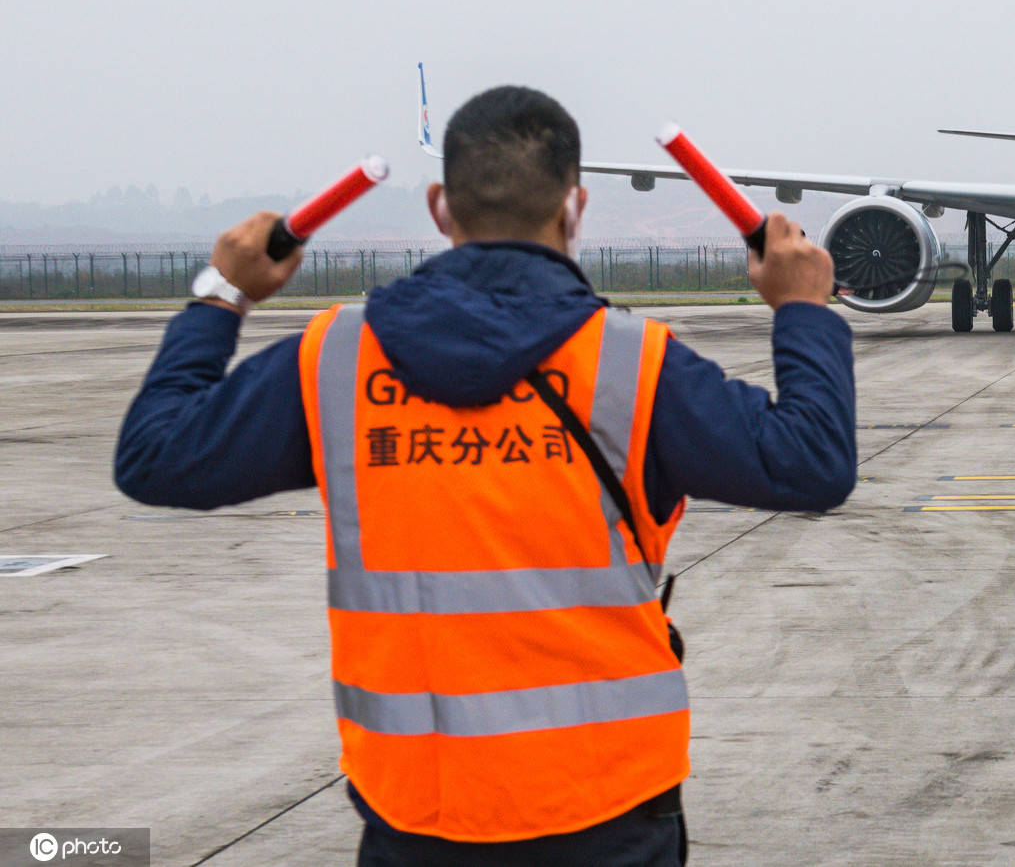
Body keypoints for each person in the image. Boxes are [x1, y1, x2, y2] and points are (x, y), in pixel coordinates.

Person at [115, 86, 855, 866]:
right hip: (608, 813)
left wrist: (223, 294)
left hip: (416, 818)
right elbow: (812, 463)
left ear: (439, 207)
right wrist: (803, 307)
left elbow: (156, 456)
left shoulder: (333, 361)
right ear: (576, 206)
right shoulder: (633, 366)